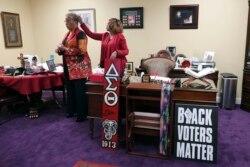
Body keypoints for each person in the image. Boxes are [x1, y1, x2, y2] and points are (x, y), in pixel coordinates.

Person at [55, 13, 92, 122]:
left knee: (80, 91)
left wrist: (65, 49)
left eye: (69, 22)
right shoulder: (67, 34)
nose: (67, 24)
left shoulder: (81, 34)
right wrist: (59, 50)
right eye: (66, 22)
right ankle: (71, 111)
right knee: (70, 90)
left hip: (79, 68)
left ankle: (82, 114)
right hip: (68, 67)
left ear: (75, 22)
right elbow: (64, 47)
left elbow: (82, 51)